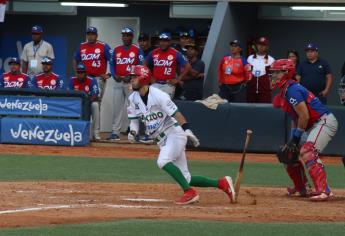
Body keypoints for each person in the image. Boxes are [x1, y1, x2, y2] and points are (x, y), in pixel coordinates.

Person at [127, 65, 235, 205]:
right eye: (131, 77)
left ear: (144, 78)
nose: (131, 79)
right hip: (161, 140)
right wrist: (133, 132)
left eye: (134, 77)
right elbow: (134, 121)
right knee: (186, 178)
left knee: (163, 161)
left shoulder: (159, 95)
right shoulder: (133, 98)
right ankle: (222, 183)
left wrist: (187, 129)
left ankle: (190, 192)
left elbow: (176, 113)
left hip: (174, 133)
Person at [270, 59, 338, 201]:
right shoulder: (285, 91)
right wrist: (292, 141)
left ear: (286, 73)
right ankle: (302, 188)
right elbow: (297, 119)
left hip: (323, 121)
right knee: (288, 153)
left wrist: (296, 138)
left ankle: (324, 190)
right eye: (273, 73)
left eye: (277, 72)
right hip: (310, 125)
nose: (274, 76)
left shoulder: (292, 89)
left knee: (308, 151)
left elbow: (305, 116)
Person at [107, 27, 144, 141]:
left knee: (133, 107)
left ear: (132, 37)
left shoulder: (137, 49)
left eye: (128, 35)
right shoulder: (117, 49)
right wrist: (114, 75)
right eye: (124, 35)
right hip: (118, 82)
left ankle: (134, 132)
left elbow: (141, 65)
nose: (125, 37)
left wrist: (132, 75)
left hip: (131, 83)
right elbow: (112, 64)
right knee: (117, 108)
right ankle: (115, 132)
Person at [145, 32, 191, 98]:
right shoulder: (154, 52)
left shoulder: (175, 53)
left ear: (170, 42)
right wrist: (150, 76)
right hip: (155, 83)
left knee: (165, 107)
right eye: (161, 41)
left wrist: (178, 79)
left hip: (168, 85)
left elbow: (188, 66)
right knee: (153, 106)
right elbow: (144, 63)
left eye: (165, 41)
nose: (162, 43)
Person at [73, 26, 112, 99]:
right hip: (85, 78)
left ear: (96, 35)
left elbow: (113, 59)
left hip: (98, 78)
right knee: (83, 100)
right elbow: (75, 59)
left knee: (96, 100)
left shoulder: (103, 46)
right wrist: (76, 73)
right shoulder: (82, 46)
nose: (90, 36)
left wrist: (109, 74)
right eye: (88, 34)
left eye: (92, 34)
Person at [69, 64, 101, 141]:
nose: (80, 74)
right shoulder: (72, 80)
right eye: (78, 72)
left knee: (95, 105)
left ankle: (96, 133)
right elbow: (69, 94)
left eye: (82, 72)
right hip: (76, 104)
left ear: (85, 73)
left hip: (89, 102)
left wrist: (86, 102)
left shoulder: (91, 80)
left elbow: (95, 95)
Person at [247, 37, 274, 103]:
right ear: (257, 45)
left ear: (267, 47)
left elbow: (274, 75)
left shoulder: (271, 60)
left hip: (265, 91)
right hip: (251, 90)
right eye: (259, 44)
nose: (261, 47)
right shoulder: (250, 58)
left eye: (263, 45)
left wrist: (272, 85)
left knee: (264, 111)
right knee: (251, 110)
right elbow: (247, 73)